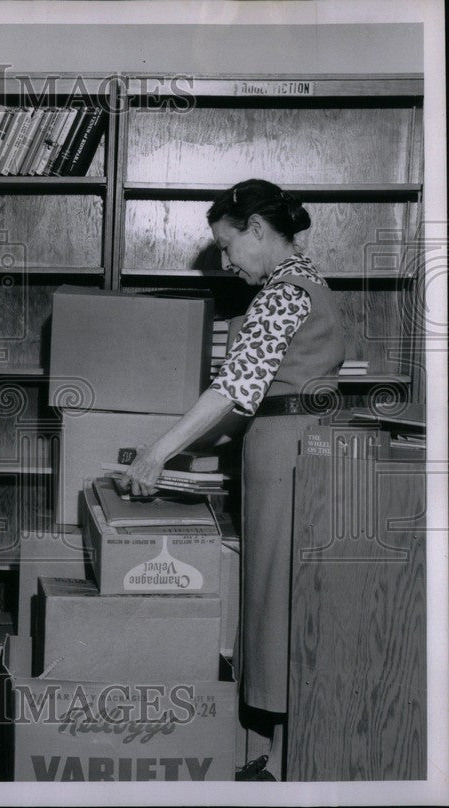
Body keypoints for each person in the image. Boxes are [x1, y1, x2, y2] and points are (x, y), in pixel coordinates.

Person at [120, 179, 345, 782]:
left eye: (228, 245)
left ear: (259, 231)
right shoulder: (299, 283)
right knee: (285, 600)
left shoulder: (284, 293)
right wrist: (186, 454)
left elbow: (234, 388)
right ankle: (284, 754)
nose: (225, 260)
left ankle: (288, 760)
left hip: (288, 457)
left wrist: (156, 454)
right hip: (287, 449)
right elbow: (250, 399)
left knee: (279, 600)